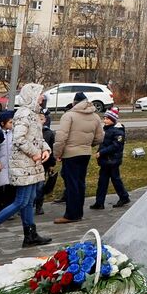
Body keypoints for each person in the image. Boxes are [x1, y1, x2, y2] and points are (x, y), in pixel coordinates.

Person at [0, 84, 52, 254]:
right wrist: (35, 153)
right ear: (32, 96)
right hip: (23, 165)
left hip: (31, 164)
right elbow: (19, 140)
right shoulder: (23, 114)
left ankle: (30, 235)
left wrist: (46, 149)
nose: (42, 97)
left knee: (29, 200)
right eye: (40, 94)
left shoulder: (33, 114)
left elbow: (37, 138)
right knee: (21, 201)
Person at [52, 92, 103, 225]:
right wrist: (87, 145)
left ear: (75, 102)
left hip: (70, 154)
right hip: (85, 153)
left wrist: (57, 153)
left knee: (71, 184)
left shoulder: (69, 115)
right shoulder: (96, 116)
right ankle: (78, 212)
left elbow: (61, 137)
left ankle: (71, 214)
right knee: (80, 183)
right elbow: (99, 137)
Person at [90, 109, 130, 210]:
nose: (105, 120)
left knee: (115, 179)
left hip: (112, 160)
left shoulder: (118, 131)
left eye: (107, 118)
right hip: (105, 161)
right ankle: (99, 202)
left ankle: (124, 197)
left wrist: (101, 152)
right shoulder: (106, 129)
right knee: (102, 181)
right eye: (104, 118)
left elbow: (115, 146)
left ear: (113, 120)